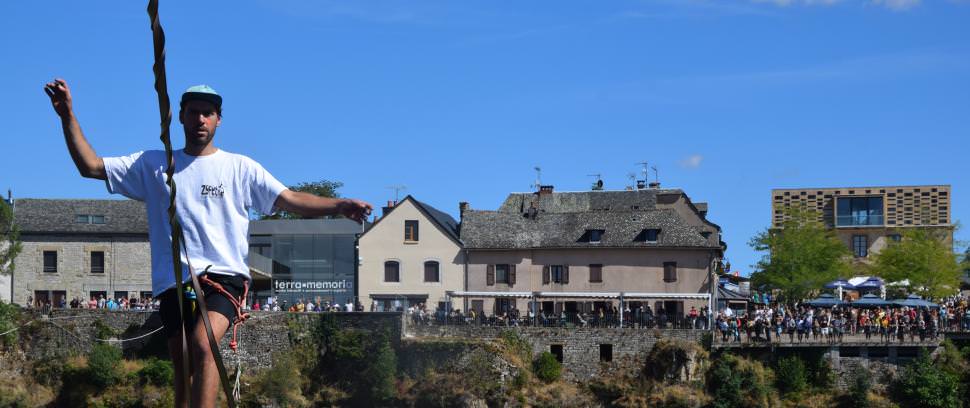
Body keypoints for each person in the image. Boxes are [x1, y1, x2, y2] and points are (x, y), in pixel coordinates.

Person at [45, 79, 372, 408]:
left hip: (223, 277)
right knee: (182, 362)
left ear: (218, 119)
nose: (201, 119)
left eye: (208, 113)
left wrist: (338, 206)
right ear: (182, 118)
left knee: (203, 345)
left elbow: (290, 199)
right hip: (174, 281)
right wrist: (67, 115)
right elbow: (90, 166)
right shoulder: (155, 165)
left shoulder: (239, 167)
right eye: (194, 113)